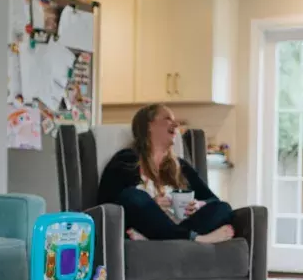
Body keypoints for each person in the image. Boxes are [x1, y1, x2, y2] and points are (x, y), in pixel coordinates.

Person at [97, 103, 234, 243]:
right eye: (168, 118)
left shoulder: (181, 167)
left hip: (178, 225)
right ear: (149, 126)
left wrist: (198, 204)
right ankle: (193, 238)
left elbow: (213, 200)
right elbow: (107, 204)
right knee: (133, 196)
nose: (176, 124)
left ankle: (155, 240)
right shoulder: (126, 160)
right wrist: (151, 205)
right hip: (145, 224)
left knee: (223, 208)